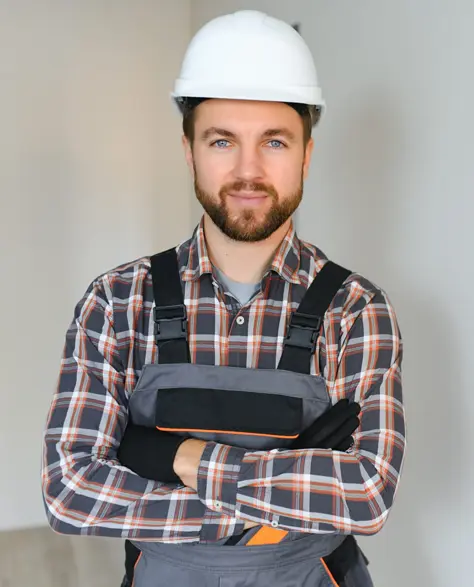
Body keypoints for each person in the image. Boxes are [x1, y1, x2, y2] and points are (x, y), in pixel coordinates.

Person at [41, 10, 405, 587]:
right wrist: (279, 487)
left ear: (307, 153)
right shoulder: (116, 301)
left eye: (275, 142)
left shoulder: (355, 310)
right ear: (189, 150)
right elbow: (69, 491)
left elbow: (367, 496)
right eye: (221, 141)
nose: (248, 170)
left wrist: (180, 459)